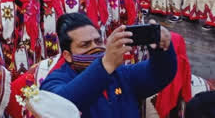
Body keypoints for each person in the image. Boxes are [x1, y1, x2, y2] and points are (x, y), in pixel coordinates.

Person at [41, 13, 177, 118]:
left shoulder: (122, 73)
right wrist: (104, 65)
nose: (95, 47)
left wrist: (162, 50)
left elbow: (160, 74)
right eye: (85, 44)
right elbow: (60, 105)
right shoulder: (56, 80)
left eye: (98, 41)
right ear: (67, 55)